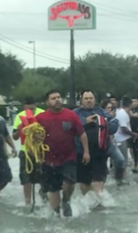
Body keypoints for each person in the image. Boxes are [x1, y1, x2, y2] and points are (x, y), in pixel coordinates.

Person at [36, 89, 89, 217]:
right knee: (53, 188)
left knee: (71, 181)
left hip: (68, 156)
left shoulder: (71, 115)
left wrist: (86, 151)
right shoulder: (40, 118)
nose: (57, 100)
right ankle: (56, 216)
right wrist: (35, 142)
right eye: (53, 98)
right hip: (49, 159)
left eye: (59, 97)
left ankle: (66, 200)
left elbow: (82, 134)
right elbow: (32, 137)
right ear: (47, 102)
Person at [73, 90, 119, 201]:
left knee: (98, 180)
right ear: (81, 101)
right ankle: (88, 204)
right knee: (85, 182)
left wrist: (103, 122)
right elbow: (70, 127)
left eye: (91, 98)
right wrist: (84, 121)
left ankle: (100, 204)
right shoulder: (75, 113)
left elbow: (113, 126)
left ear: (94, 100)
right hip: (82, 152)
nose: (89, 101)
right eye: (86, 98)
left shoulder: (102, 112)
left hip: (99, 152)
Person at [12, 97, 45, 206]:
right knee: (26, 178)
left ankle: (44, 196)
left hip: (40, 150)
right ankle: (27, 201)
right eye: (27, 109)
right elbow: (15, 137)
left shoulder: (43, 114)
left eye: (32, 108)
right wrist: (21, 128)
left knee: (43, 176)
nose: (30, 111)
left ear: (35, 105)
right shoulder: (19, 116)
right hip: (25, 151)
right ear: (23, 107)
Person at [113, 97, 138, 181]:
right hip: (121, 140)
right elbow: (123, 128)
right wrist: (133, 134)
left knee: (120, 162)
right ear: (130, 104)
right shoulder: (123, 114)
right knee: (123, 162)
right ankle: (122, 180)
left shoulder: (122, 112)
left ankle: (120, 179)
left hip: (120, 140)